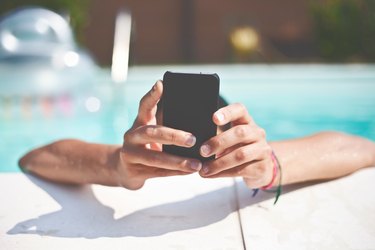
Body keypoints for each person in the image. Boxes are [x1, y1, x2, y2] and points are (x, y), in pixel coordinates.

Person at [19, 80, 375, 193]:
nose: (189, 137)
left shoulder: (248, 157)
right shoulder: (138, 158)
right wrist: (118, 168)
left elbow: (361, 147)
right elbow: (35, 158)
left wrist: (268, 167)